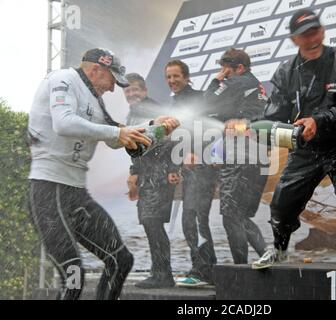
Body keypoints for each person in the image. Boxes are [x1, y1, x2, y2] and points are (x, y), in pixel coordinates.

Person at [28, 48, 178, 300]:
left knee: (121, 260)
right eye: (112, 80)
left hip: (76, 194)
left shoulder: (95, 100)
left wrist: (154, 127)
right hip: (47, 191)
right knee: (73, 276)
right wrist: (118, 134)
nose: (112, 89)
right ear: (96, 69)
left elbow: (117, 135)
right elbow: (63, 123)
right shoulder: (62, 79)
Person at [252, 9, 336, 271]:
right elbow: (276, 116)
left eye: (315, 31)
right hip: (307, 148)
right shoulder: (286, 72)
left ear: (322, 31)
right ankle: (279, 249)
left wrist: (317, 121)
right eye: (304, 35)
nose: (312, 39)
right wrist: (263, 130)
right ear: (294, 39)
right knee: (281, 201)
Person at [204, 48, 268, 265]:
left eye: (225, 69)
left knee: (231, 216)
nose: (223, 73)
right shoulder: (254, 84)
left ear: (239, 68)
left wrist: (215, 81)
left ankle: (240, 270)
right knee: (239, 215)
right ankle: (268, 257)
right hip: (258, 158)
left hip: (240, 156)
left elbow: (207, 102)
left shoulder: (238, 82)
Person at [123, 73, 181, 289]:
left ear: (144, 91)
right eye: (127, 91)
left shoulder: (151, 109)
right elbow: (136, 148)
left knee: (152, 222)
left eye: (135, 89)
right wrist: (134, 172)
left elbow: (172, 138)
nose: (131, 93)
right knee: (150, 223)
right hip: (148, 174)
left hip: (159, 174)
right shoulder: (133, 113)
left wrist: (173, 168)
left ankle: (163, 274)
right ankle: (160, 272)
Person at [165, 60, 218, 287]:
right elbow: (176, 139)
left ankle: (203, 271)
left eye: (176, 76)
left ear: (186, 77)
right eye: (168, 77)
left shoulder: (198, 98)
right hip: (187, 170)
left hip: (203, 167)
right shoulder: (174, 103)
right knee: (191, 220)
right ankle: (206, 268)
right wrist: (173, 168)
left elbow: (210, 128)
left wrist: (197, 152)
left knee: (194, 218)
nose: (172, 81)